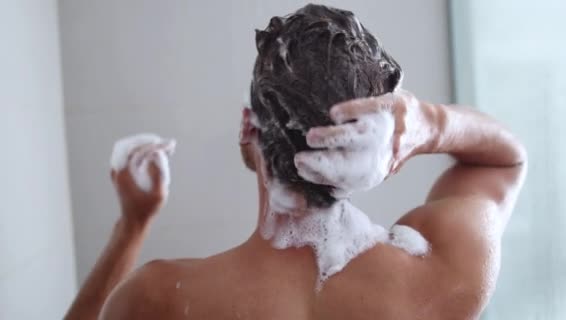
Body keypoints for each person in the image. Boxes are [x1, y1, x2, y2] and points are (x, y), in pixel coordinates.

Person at [64, 4, 526, 320]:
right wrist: (429, 122)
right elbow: (505, 162)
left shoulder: (160, 299)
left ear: (248, 127)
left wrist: (134, 224)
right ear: (380, 142)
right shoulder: (445, 275)